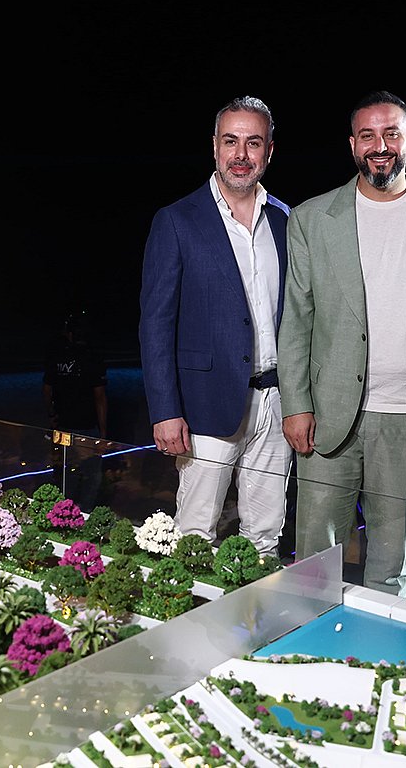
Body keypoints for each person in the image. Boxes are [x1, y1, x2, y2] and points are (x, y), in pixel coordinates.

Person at [278, 90, 406, 597]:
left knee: (392, 561)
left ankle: (380, 645)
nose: (380, 146)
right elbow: (296, 319)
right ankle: (310, 641)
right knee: (314, 558)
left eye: (391, 134)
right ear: (352, 144)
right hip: (327, 414)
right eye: (367, 135)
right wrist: (296, 405)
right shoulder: (311, 218)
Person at [139, 95, 291, 559]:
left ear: (269, 150)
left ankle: (258, 607)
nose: (241, 154)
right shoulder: (177, 221)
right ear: (214, 146)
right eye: (231, 141)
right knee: (194, 537)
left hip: (276, 404)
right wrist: (165, 410)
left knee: (265, 537)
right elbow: (156, 324)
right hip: (205, 405)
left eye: (253, 142)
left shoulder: (286, 221)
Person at [43, 308, 109, 510]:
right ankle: (84, 511)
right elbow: (100, 397)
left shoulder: (56, 356)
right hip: (86, 426)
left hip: (62, 425)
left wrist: (52, 415)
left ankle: (63, 512)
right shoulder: (93, 358)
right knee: (91, 475)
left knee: (65, 472)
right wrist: (103, 433)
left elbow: (47, 389)